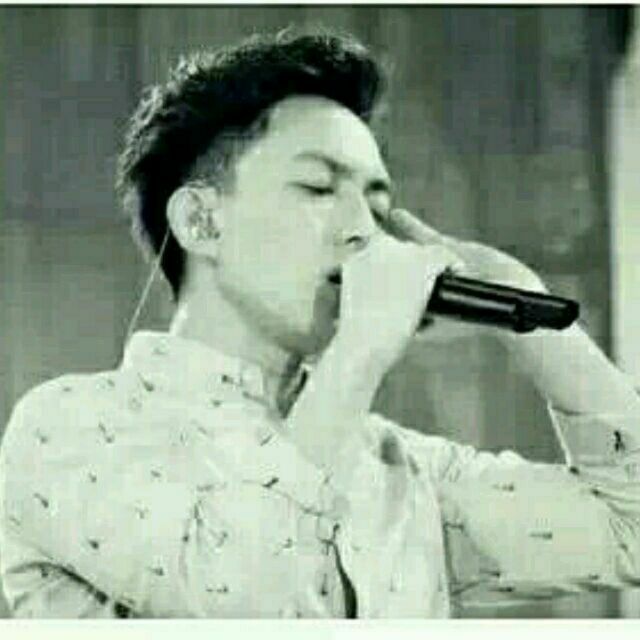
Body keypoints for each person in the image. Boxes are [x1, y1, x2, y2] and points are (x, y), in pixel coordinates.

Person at [1, 29, 639, 619]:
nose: (363, 230)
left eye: (378, 207)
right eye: (317, 187)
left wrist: (513, 289)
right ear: (200, 221)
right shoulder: (72, 426)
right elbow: (244, 597)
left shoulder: (398, 469)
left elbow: (629, 530)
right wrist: (358, 352)